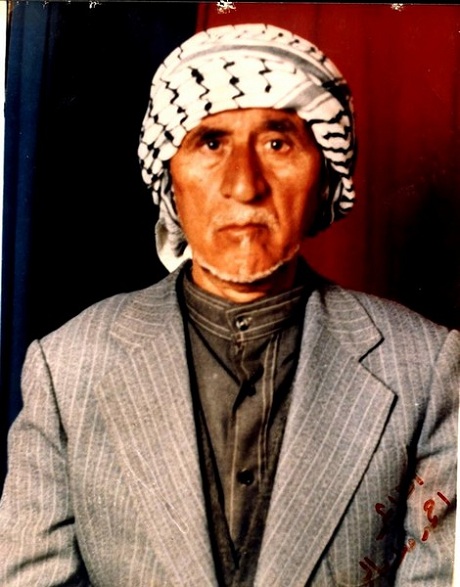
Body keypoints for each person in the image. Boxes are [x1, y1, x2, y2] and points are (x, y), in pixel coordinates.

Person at [0, 23, 458, 587]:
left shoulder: (427, 367)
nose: (243, 185)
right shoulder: (67, 366)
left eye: (277, 144)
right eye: (211, 143)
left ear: (324, 179)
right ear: (169, 178)